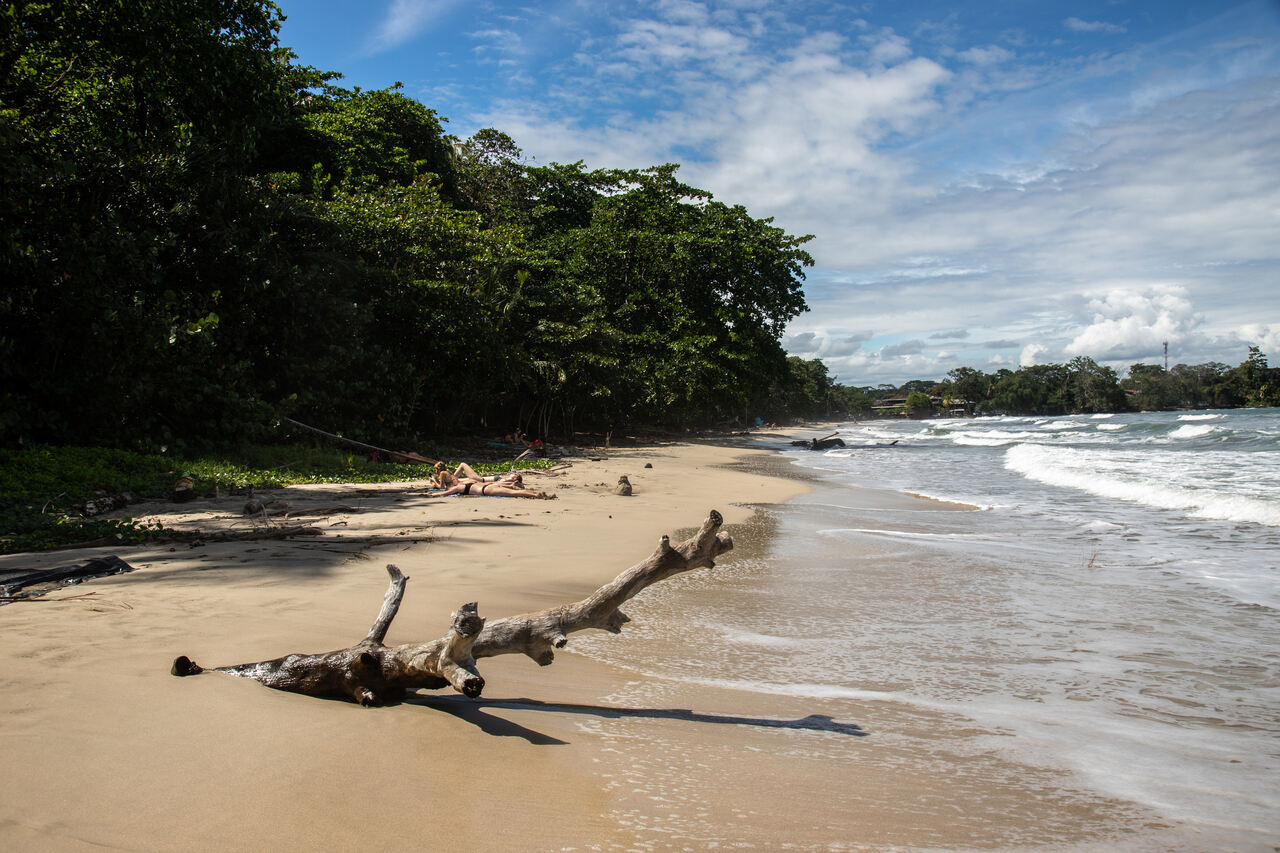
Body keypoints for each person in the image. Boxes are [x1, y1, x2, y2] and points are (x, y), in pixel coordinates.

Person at [432, 480, 555, 500]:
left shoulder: (458, 488)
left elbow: (444, 493)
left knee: (513, 493)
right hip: (490, 486)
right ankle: (534, 493)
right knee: (512, 492)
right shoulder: (465, 483)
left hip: (486, 491)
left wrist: (432, 494)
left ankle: (536, 495)